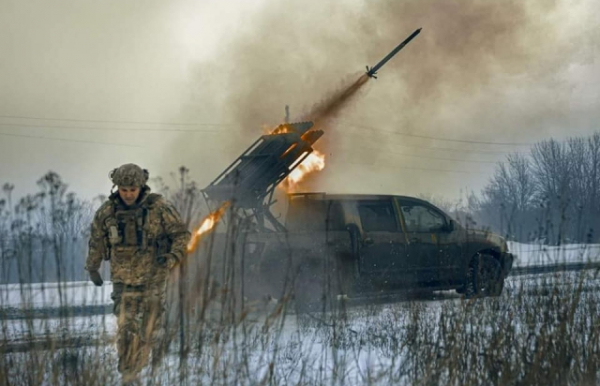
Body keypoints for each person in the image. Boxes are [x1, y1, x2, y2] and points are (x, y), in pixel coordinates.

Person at [85, 163, 190, 380]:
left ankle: (138, 366)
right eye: (124, 190)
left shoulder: (159, 208)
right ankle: (128, 374)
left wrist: (172, 258)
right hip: (123, 281)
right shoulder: (107, 212)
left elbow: (181, 235)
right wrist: (93, 267)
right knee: (126, 330)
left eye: (132, 190)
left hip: (154, 279)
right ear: (117, 188)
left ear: (141, 187)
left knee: (148, 331)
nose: (128, 194)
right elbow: (96, 241)